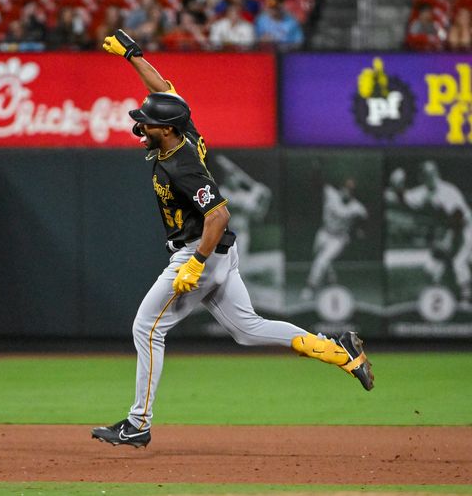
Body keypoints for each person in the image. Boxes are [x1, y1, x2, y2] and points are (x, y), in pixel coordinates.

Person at [91, 30, 374, 448]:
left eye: (146, 122)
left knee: (147, 328)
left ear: (165, 131)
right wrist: (133, 55)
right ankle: (338, 351)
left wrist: (196, 263)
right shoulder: (182, 129)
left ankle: (138, 423)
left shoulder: (181, 163)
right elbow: (165, 91)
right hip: (220, 254)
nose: (140, 125)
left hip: (200, 250)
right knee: (247, 329)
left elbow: (219, 214)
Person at [386, 161, 472, 304]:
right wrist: (397, 185)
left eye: (433, 173)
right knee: (431, 269)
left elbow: (458, 218)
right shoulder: (423, 191)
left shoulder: (447, 191)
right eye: (427, 174)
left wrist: (448, 239)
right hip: (451, 230)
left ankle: (466, 301)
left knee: (459, 263)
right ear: (421, 177)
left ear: (438, 174)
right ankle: (443, 299)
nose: (432, 176)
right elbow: (405, 198)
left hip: (466, 228)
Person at [301, 177, 368, 300]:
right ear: (341, 188)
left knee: (321, 261)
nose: (347, 191)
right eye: (346, 188)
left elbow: (364, 219)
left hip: (339, 238)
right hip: (323, 232)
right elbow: (317, 183)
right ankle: (331, 277)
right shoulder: (331, 193)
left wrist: (360, 229)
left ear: (353, 192)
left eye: (351, 190)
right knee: (318, 258)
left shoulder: (357, 207)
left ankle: (310, 288)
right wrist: (316, 172)